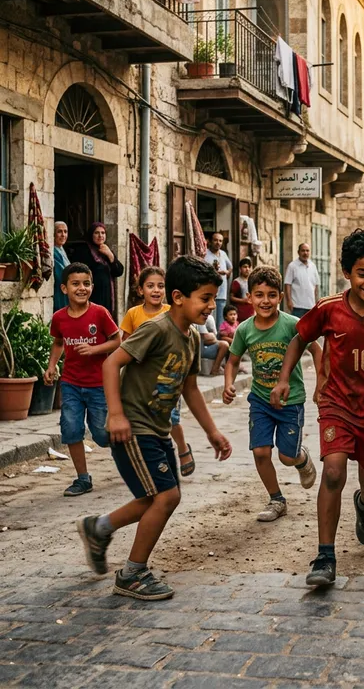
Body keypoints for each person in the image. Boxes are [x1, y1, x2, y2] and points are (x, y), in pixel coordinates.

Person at [77, 256, 232, 601]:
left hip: (158, 430)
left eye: (212, 298)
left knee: (152, 497)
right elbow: (110, 362)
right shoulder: (156, 329)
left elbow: (189, 389)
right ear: (178, 297)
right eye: (205, 298)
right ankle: (132, 573)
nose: (211, 306)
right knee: (167, 496)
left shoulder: (191, 338)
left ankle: (98, 527)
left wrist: (212, 432)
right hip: (133, 428)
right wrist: (115, 415)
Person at [270, 229, 364, 587]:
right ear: (347, 272)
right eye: (362, 274)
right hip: (336, 403)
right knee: (333, 472)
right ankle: (325, 555)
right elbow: (298, 338)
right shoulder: (328, 309)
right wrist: (284, 378)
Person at [223, 267, 322, 521]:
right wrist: (228, 384)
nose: (265, 301)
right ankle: (276, 499)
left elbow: (316, 349)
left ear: (280, 297)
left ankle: (301, 459)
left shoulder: (292, 324)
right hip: (260, 400)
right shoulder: (245, 329)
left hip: (292, 401)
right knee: (260, 452)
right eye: (259, 295)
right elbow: (232, 361)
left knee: (286, 456)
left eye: (271, 295)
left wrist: (321, 383)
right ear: (249, 298)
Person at [44, 263, 120, 497]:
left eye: (86, 284)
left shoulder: (99, 313)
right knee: (72, 429)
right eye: (75, 284)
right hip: (71, 383)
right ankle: (83, 479)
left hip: (98, 384)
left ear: (92, 287)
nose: (81, 288)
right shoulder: (59, 317)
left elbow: (117, 341)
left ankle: (130, 452)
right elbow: (58, 342)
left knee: (100, 434)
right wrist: (52, 365)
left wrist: (96, 349)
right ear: (64, 288)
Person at [120, 266, 195, 478]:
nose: (155, 290)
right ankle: (153, 459)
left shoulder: (171, 312)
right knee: (145, 423)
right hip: (142, 382)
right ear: (140, 290)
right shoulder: (133, 314)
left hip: (169, 378)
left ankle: (182, 448)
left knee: (171, 419)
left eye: (160, 286)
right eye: (150, 286)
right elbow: (125, 343)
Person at [81, 222, 124, 317]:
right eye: (96, 233)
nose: (100, 235)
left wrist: (110, 255)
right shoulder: (84, 250)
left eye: (103, 233)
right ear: (91, 235)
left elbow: (119, 271)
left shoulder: (106, 251)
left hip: (107, 295)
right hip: (93, 294)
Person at [204, 232, 233, 329]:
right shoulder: (205, 254)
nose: (218, 243)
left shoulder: (223, 254)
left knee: (220, 321)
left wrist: (227, 273)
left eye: (220, 241)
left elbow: (230, 267)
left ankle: (219, 342)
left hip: (222, 293)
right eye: (215, 240)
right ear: (210, 241)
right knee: (209, 320)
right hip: (209, 292)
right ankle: (209, 342)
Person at [284, 242, 320, 318]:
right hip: (297, 306)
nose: (305, 253)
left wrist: (317, 302)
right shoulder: (292, 266)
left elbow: (316, 285)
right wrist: (289, 301)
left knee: (310, 329)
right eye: (303, 251)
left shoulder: (313, 266)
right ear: (298, 252)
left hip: (311, 306)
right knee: (298, 329)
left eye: (307, 251)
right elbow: (287, 284)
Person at [230, 258, 254, 323]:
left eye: (249, 267)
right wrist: (243, 300)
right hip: (241, 313)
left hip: (252, 312)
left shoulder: (253, 281)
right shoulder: (237, 282)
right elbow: (231, 297)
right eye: (245, 267)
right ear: (240, 268)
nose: (247, 269)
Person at [53, 221, 70, 312]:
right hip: (59, 291)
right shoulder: (53, 251)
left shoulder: (61, 249)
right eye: (59, 231)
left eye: (65, 231)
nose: (63, 235)